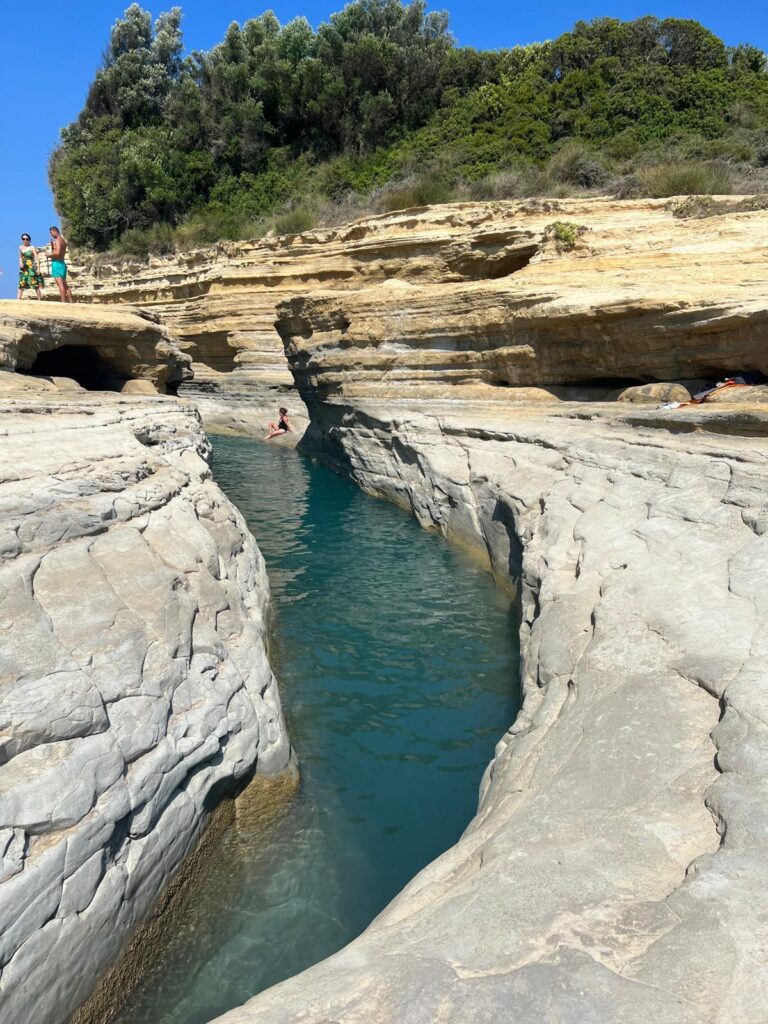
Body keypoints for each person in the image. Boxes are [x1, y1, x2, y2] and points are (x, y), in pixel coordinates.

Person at [49, 225, 73, 302]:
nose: (51, 235)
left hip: (57, 263)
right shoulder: (63, 241)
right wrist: (52, 246)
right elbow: (58, 251)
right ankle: (71, 301)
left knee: (60, 284)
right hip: (62, 263)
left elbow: (57, 253)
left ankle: (63, 301)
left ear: (55, 231)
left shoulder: (58, 240)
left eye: (51, 233)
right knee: (65, 284)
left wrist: (49, 255)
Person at [17, 233, 43, 300]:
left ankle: (39, 299)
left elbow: (36, 258)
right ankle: (18, 299)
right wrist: (20, 263)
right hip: (24, 268)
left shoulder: (32, 247)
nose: (25, 240)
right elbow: (20, 257)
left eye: (27, 239)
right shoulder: (20, 247)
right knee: (22, 282)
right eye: (23, 239)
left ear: (29, 240)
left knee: (34, 282)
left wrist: (38, 269)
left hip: (31, 267)